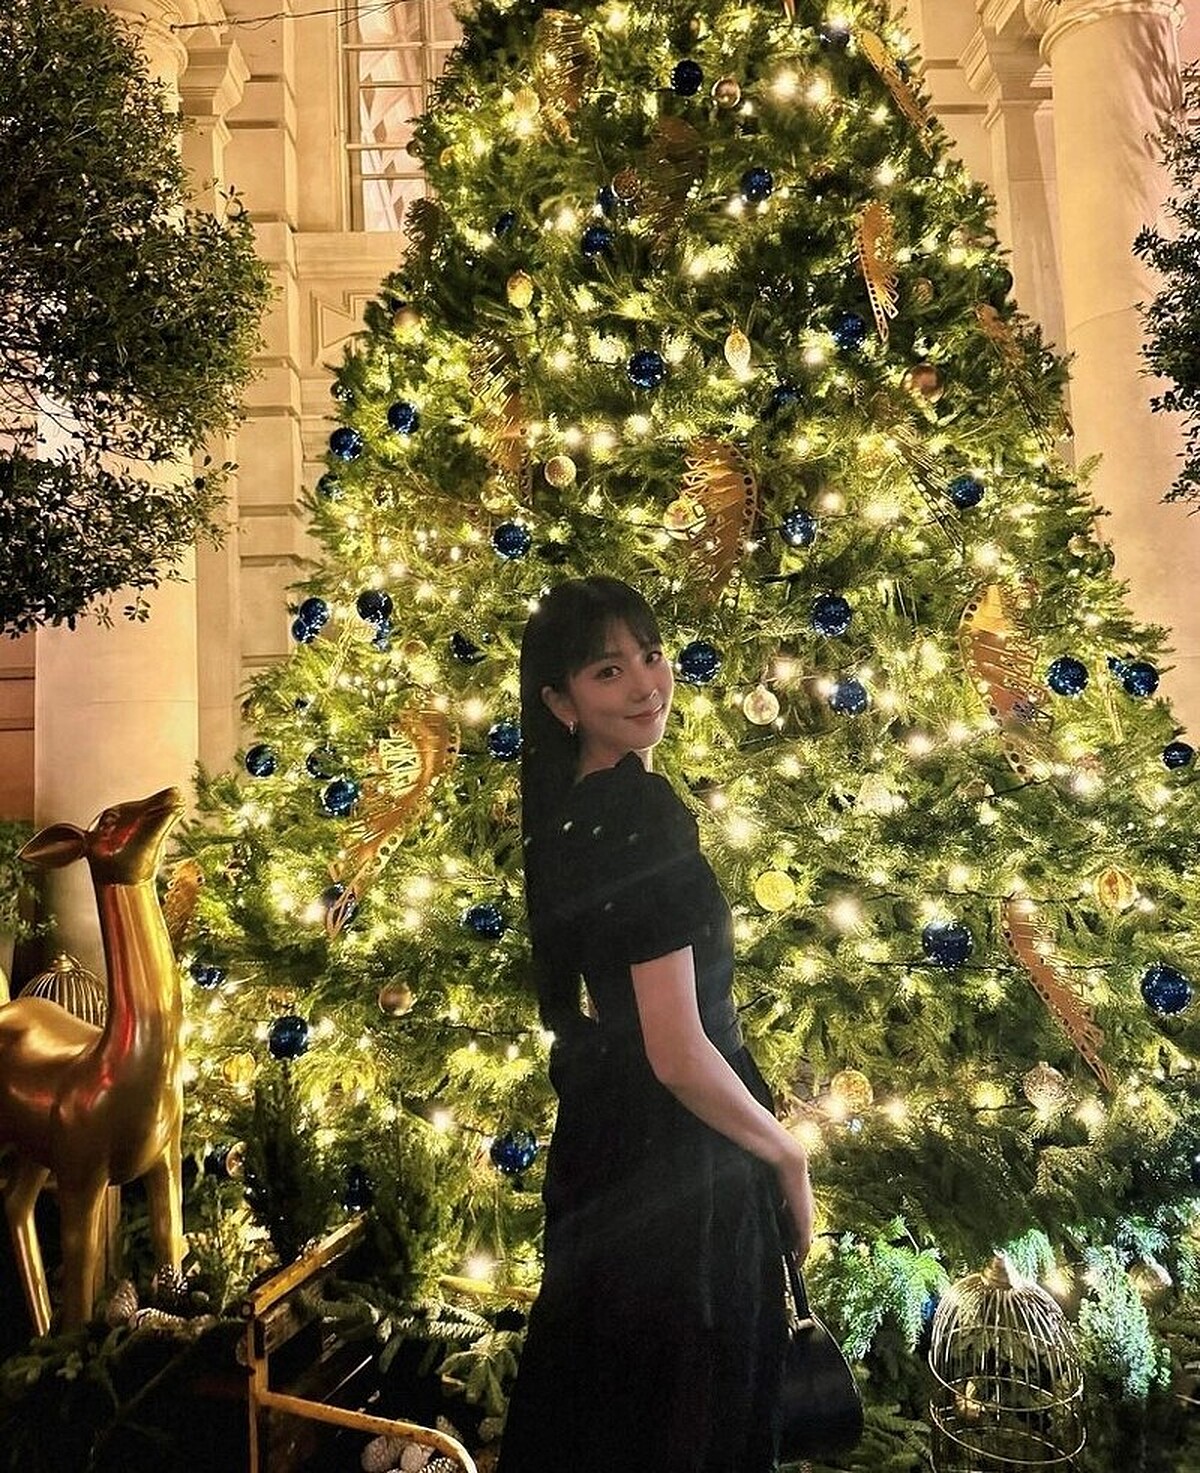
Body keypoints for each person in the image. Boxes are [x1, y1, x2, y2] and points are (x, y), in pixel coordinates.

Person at [497, 576, 814, 1473]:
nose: (646, 685)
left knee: (609, 1408)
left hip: (609, 1146)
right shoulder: (639, 813)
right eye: (609, 670)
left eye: (651, 654)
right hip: (681, 1165)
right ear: (561, 701)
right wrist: (788, 1154)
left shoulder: (567, 810)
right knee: (690, 1413)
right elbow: (676, 1050)